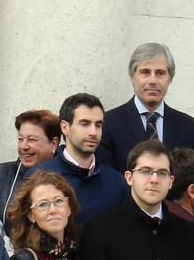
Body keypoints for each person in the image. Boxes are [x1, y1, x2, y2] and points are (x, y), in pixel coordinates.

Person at [98, 42, 194, 169]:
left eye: (160, 73)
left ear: (170, 79)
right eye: (145, 72)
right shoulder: (108, 124)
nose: (153, 81)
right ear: (133, 77)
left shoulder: (188, 127)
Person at [36, 93, 128, 223]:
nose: (93, 132)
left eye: (98, 125)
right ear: (65, 127)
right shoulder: (39, 177)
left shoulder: (117, 182)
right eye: (84, 124)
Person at [0, 109, 60, 200]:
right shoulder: (0, 173)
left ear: (54, 143)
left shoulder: (66, 176)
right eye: (20, 139)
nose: (23, 146)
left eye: (32, 139)